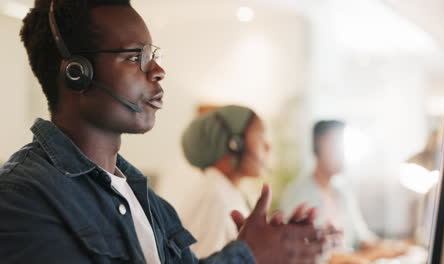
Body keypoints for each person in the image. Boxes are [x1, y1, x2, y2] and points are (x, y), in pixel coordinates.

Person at [0, 0, 328, 263]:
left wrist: (271, 250)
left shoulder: (145, 198)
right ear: (76, 74)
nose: (157, 71)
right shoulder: (20, 197)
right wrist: (247, 257)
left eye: (151, 55)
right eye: (134, 56)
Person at [179, 105, 270, 257]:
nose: (268, 146)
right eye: (260, 136)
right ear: (235, 143)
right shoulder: (213, 198)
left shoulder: (228, 192)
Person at [280, 120, 378, 251]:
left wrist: (392, 248)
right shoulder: (297, 195)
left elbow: (362, 237)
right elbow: (298, 251)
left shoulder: (343, 192)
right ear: (317, 146)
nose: (343, 154)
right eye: (336, 146)